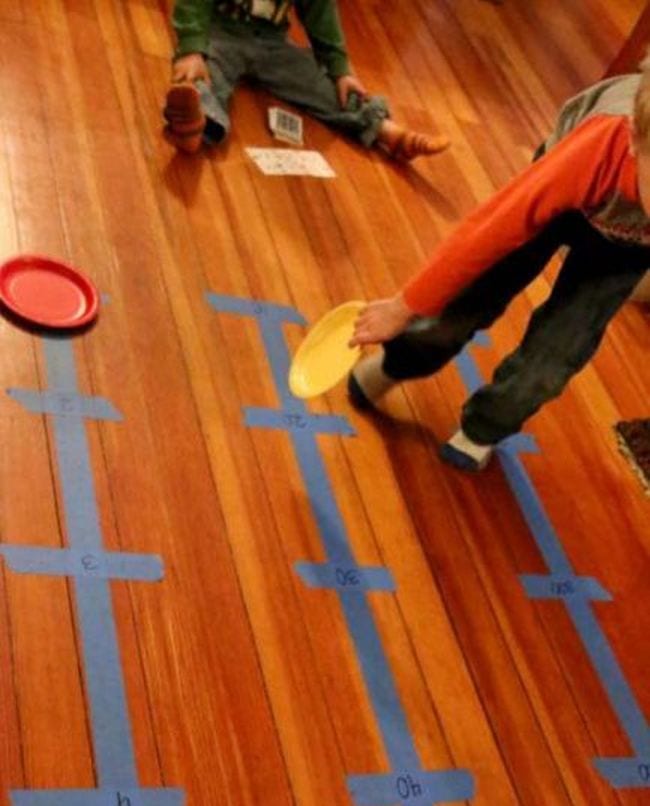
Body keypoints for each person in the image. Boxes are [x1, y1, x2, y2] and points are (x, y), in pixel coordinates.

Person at [348, 62, 650, 471]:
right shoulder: (597, 148)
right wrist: (403, 305)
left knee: (557, 353)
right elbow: (488, 231)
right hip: (569, 188)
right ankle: (398, 362)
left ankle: (484, 428)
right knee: (468, 298)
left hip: (627, 247)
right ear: (634, 138)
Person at [164, 0, 449, 158]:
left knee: (323, 82)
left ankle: (385, 130)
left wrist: (340, 69)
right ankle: (196, 121)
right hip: (221, 32)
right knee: (204, 70)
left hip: (272, 42)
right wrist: (192, 47)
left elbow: (321, 14)